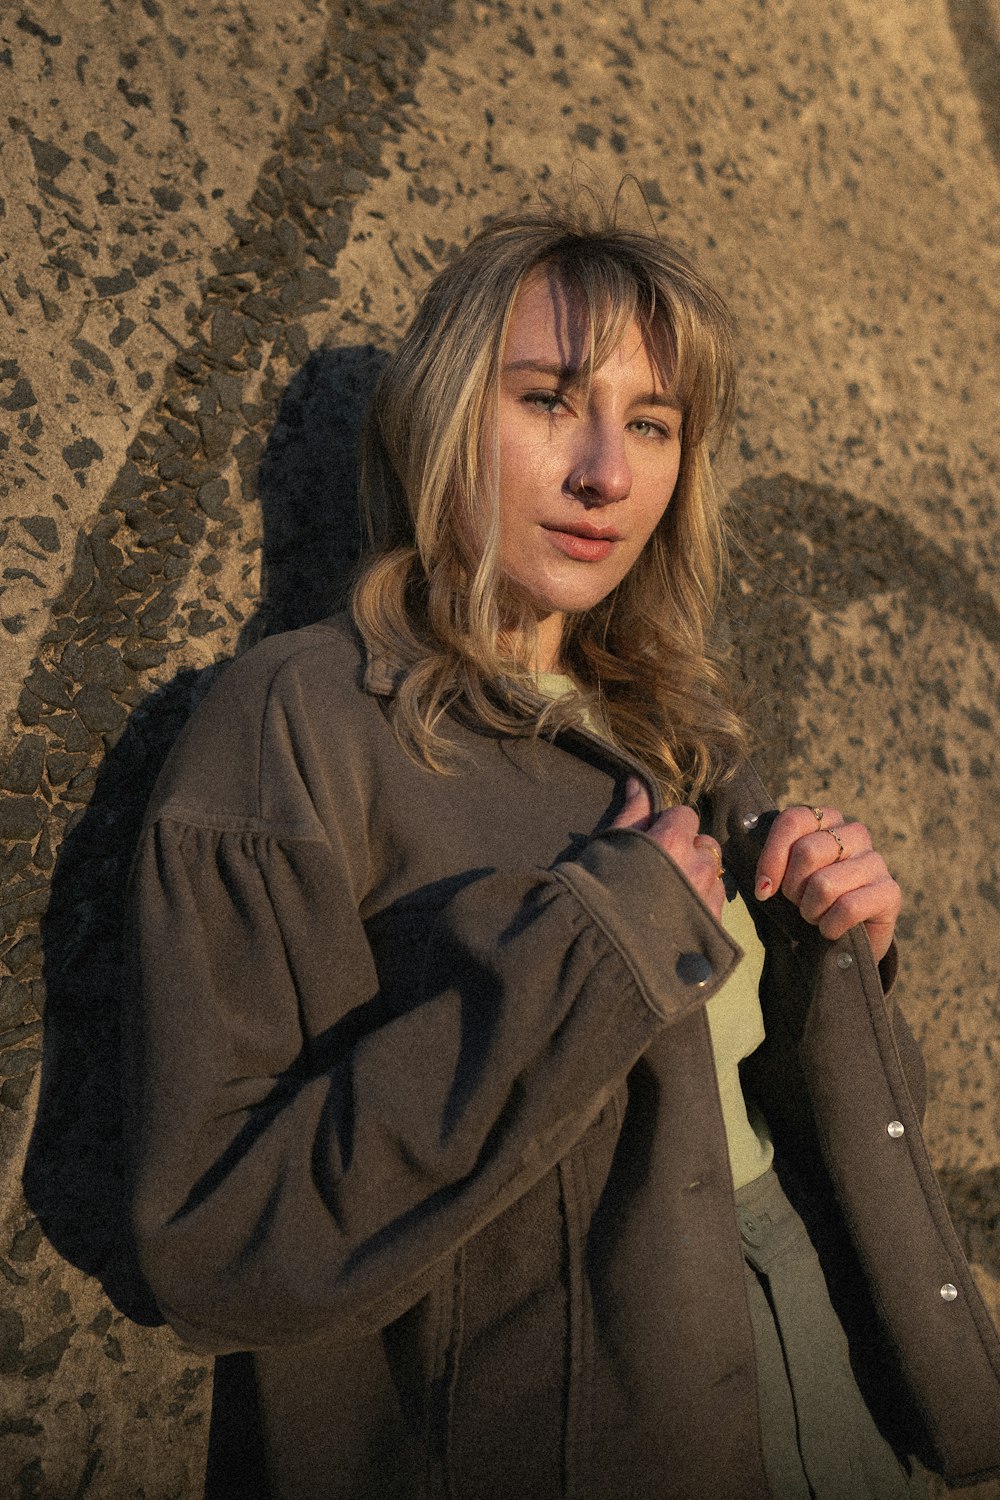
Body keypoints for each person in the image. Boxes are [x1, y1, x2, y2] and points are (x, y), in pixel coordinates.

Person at [124, 206, 1000, 1499]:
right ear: (440, 418)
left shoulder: (678, 730)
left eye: (652, 425)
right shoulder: (297, 722)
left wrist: (836, 953)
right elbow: (216, 1245)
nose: (607, 472)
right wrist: (595, 952)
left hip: (832, 1367)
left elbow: (791, 1113)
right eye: (549, 401)